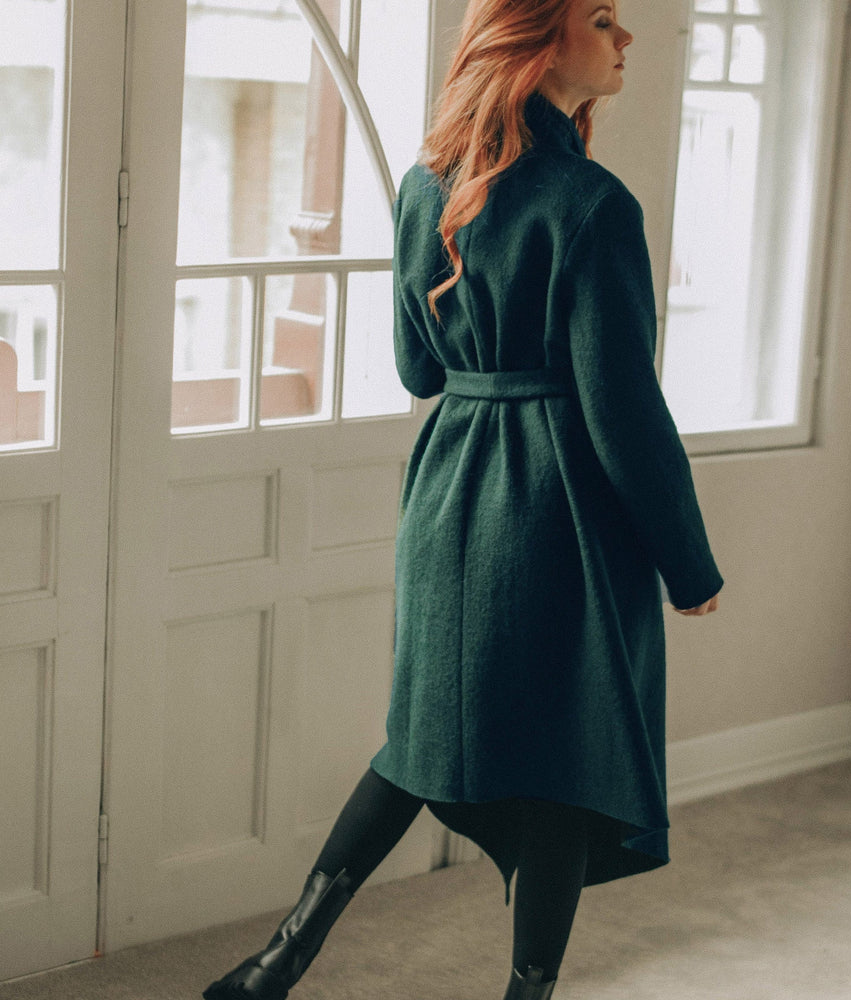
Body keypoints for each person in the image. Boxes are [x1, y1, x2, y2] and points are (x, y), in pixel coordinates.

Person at [203, 1, 722, 998]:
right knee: (567, 753)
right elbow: (622, 410)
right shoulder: (593, 205)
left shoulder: (425, 185)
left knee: (421, 737)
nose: (627, 39)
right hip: (558, 505)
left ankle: (278, 960)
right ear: (537, 37)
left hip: (449, 495)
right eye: (604, 18)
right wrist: (686, 564)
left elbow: (418, 366)